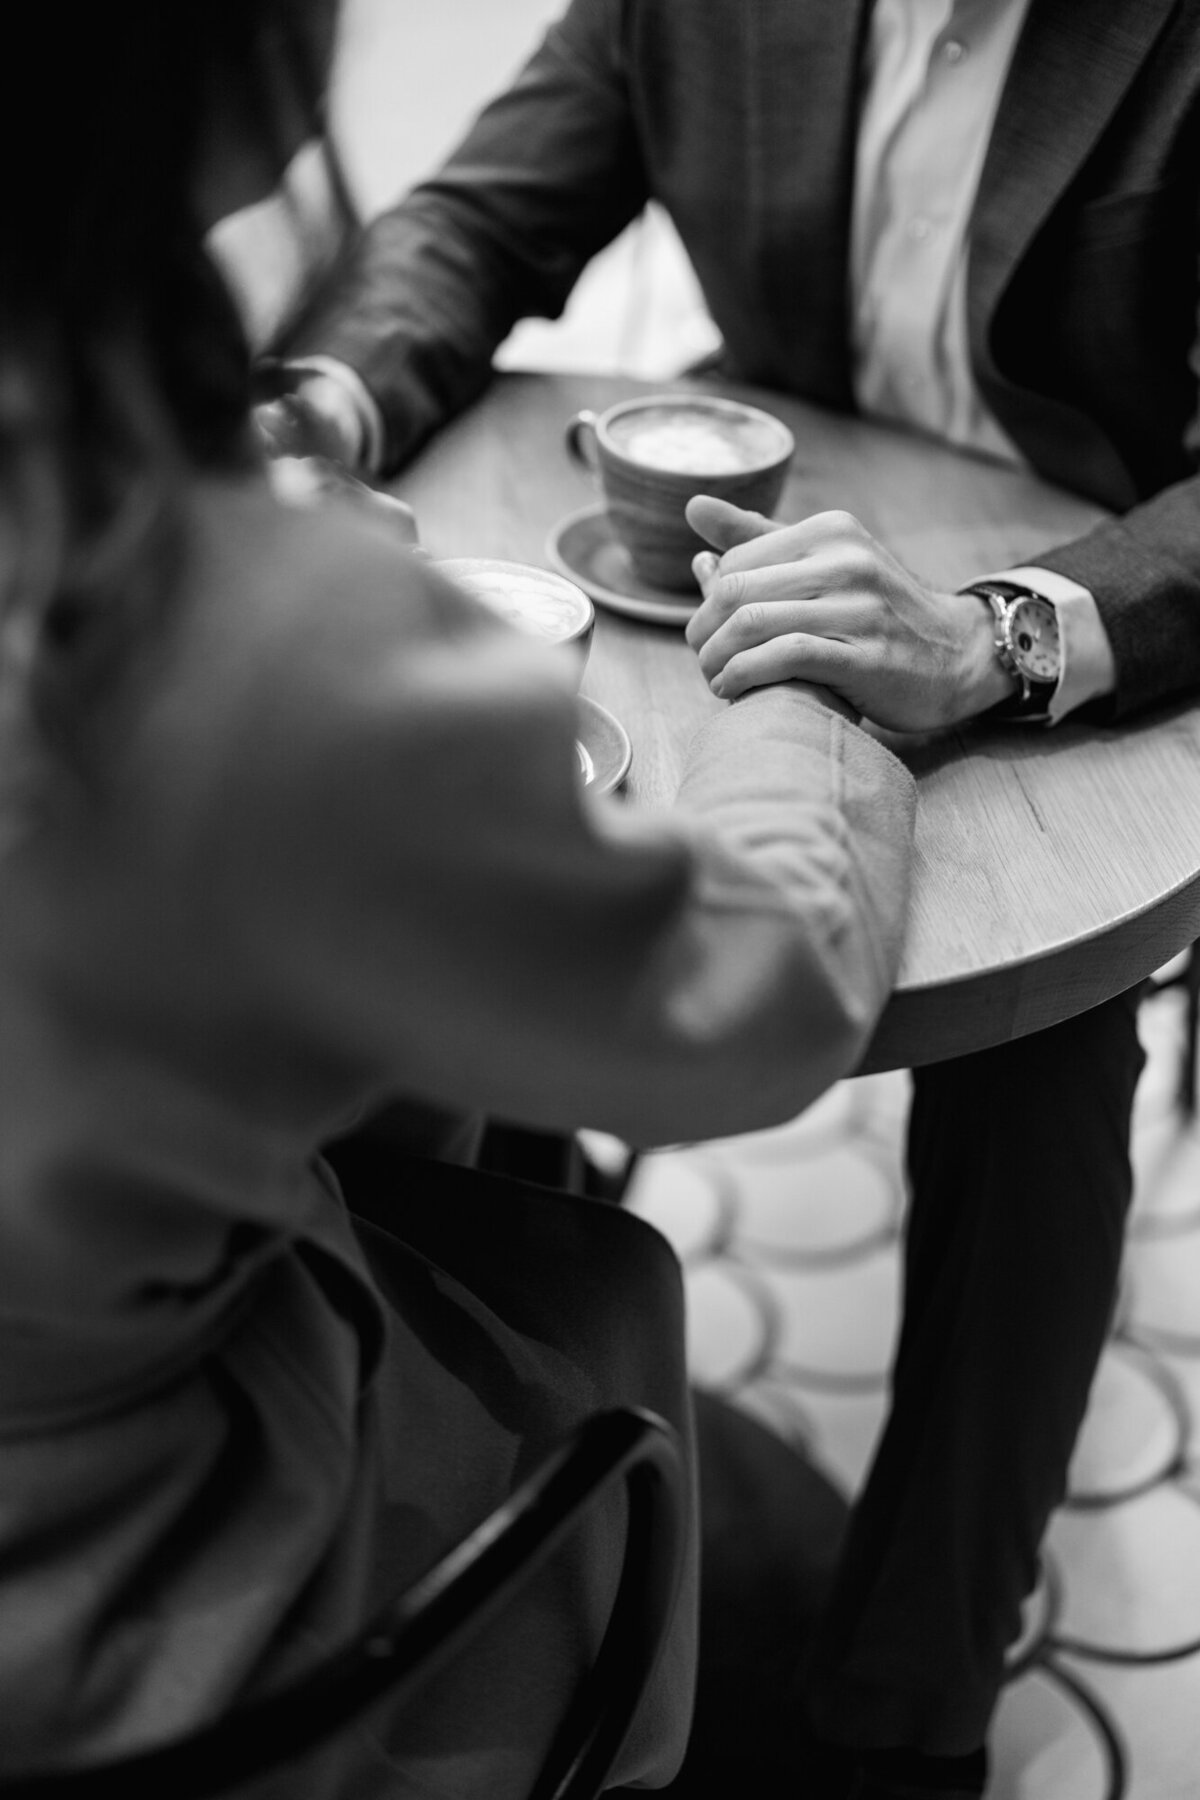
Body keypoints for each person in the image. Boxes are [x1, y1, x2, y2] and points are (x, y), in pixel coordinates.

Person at [259, 1, 1188, 1791]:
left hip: (1079, 616)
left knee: (1045, 1054)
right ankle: (538, 1441)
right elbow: (474, 220)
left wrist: (1000, 634)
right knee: (530, 898)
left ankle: (901, 1723)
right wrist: (345, 386)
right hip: (756, 574)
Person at [0, 4, 915, 1798]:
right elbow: (762, 1007)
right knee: (587, 1274)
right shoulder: (261, 644)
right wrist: (814, 687)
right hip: (112, 1613)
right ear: (254, 81)